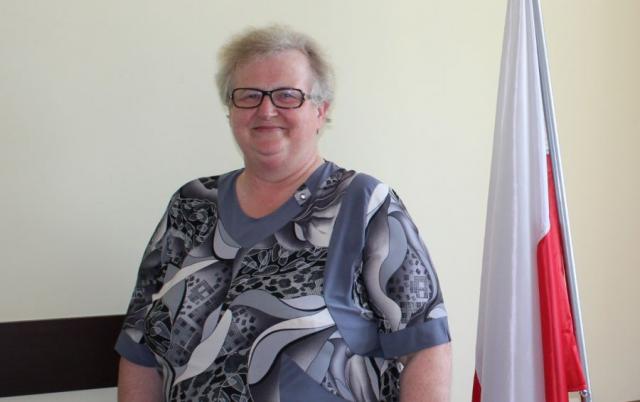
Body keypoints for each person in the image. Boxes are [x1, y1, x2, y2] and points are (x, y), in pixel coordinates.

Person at [115, 25, 452, 402]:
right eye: (249, 95)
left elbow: (425, 348)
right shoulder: (191, 204)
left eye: (288, 96)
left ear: (321, 110)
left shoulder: (365, 205)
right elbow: (140, 346)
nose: (266, 110)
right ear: (230, 110)